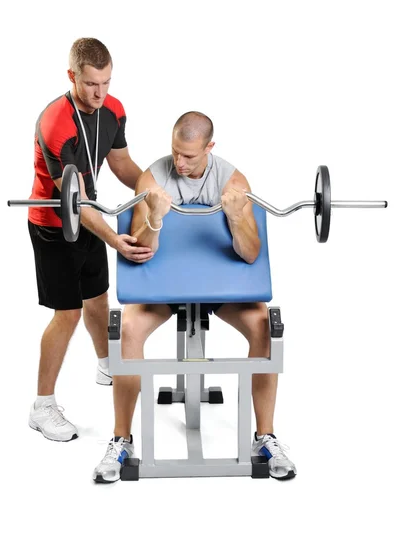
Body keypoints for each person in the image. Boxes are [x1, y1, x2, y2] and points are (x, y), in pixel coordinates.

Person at [93, 111, 297, 482]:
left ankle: (265, 437)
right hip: (163, 287)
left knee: (263, 325)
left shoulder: (233, 180)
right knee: (129, 332)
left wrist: (236, 219)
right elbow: (141, 251)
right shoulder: (152, 177)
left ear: (209, 149)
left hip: (219, 287)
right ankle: (121, 440)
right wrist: (154, 217)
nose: (180, 163)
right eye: (175, 153)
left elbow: (250, 254)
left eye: (190, 156)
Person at [28, 38, 153, 442]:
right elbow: (75, 202)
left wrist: (155, 191)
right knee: (68, 314)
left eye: (107, 82)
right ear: (72, 77)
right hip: (54, 223)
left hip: (91, 215)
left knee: (98, 298)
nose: (101, 93)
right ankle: (42, 406)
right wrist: (116, 240)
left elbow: (120, 163)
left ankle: (106, 364)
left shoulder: (112, 109)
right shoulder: (55, 124)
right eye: (91, 84)